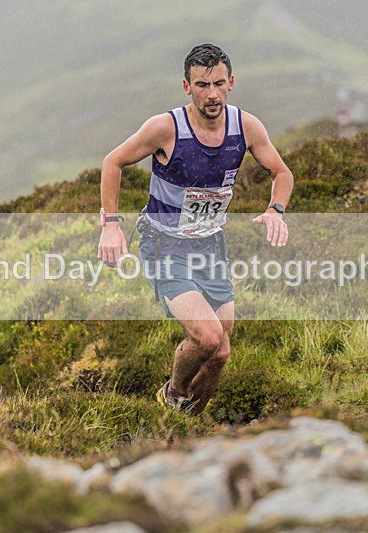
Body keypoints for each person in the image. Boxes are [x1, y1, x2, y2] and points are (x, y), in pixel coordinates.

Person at [97, 44, 294, 415]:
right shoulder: (165, 128)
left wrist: (275, 210)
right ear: (187, 87)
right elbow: (113, 162)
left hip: (210, 247)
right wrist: (110, 225)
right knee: (207, 336)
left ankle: (190, 424)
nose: (212, 94)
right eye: (202, 85)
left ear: (231, 82)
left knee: (221, 352)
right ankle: (172, 397)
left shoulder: (246, 127)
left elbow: (281, 172)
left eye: (219, 83)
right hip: (165, 246)